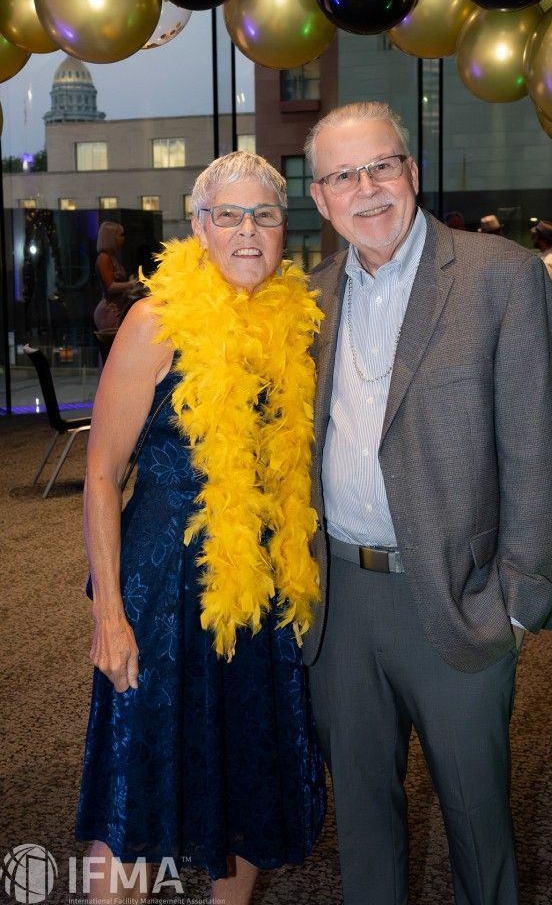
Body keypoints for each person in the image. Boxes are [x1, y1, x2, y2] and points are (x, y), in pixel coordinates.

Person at [303, 101, 552, 905]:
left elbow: (536, 453)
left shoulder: (499, 275)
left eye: (382, 165)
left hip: (460, 599)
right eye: (343, 176)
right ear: (320, 199)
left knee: (476, 820)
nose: (367, 188)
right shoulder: (306, 300)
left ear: (411, 174)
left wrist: (518, 605)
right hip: (337, 606)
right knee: (360, 819)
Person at [76, 152, 326, 904]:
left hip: (261, 588)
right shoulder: (156, 321)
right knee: (134, 789)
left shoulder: (294, 322)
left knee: (249, 779)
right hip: (160, 590)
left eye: (264, 216)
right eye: (229, 215)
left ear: (285, 229)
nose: (247, 232)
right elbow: (98, 474)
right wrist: (110, 614)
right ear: (198, 227)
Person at [93, 221, 138, 331]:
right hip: (109, 310)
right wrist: (131, 284)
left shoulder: (112, 257)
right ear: (111, 237)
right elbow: (110, 286)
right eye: (121, 235)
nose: (123, 238)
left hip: (118, 308)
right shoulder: (103, 258)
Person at [531, 219, 552, 307]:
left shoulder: (551, 260)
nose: (532, 238)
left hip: (548, 310)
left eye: (535, 236)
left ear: (542, 240)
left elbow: (539, 287)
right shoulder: (545, 256)